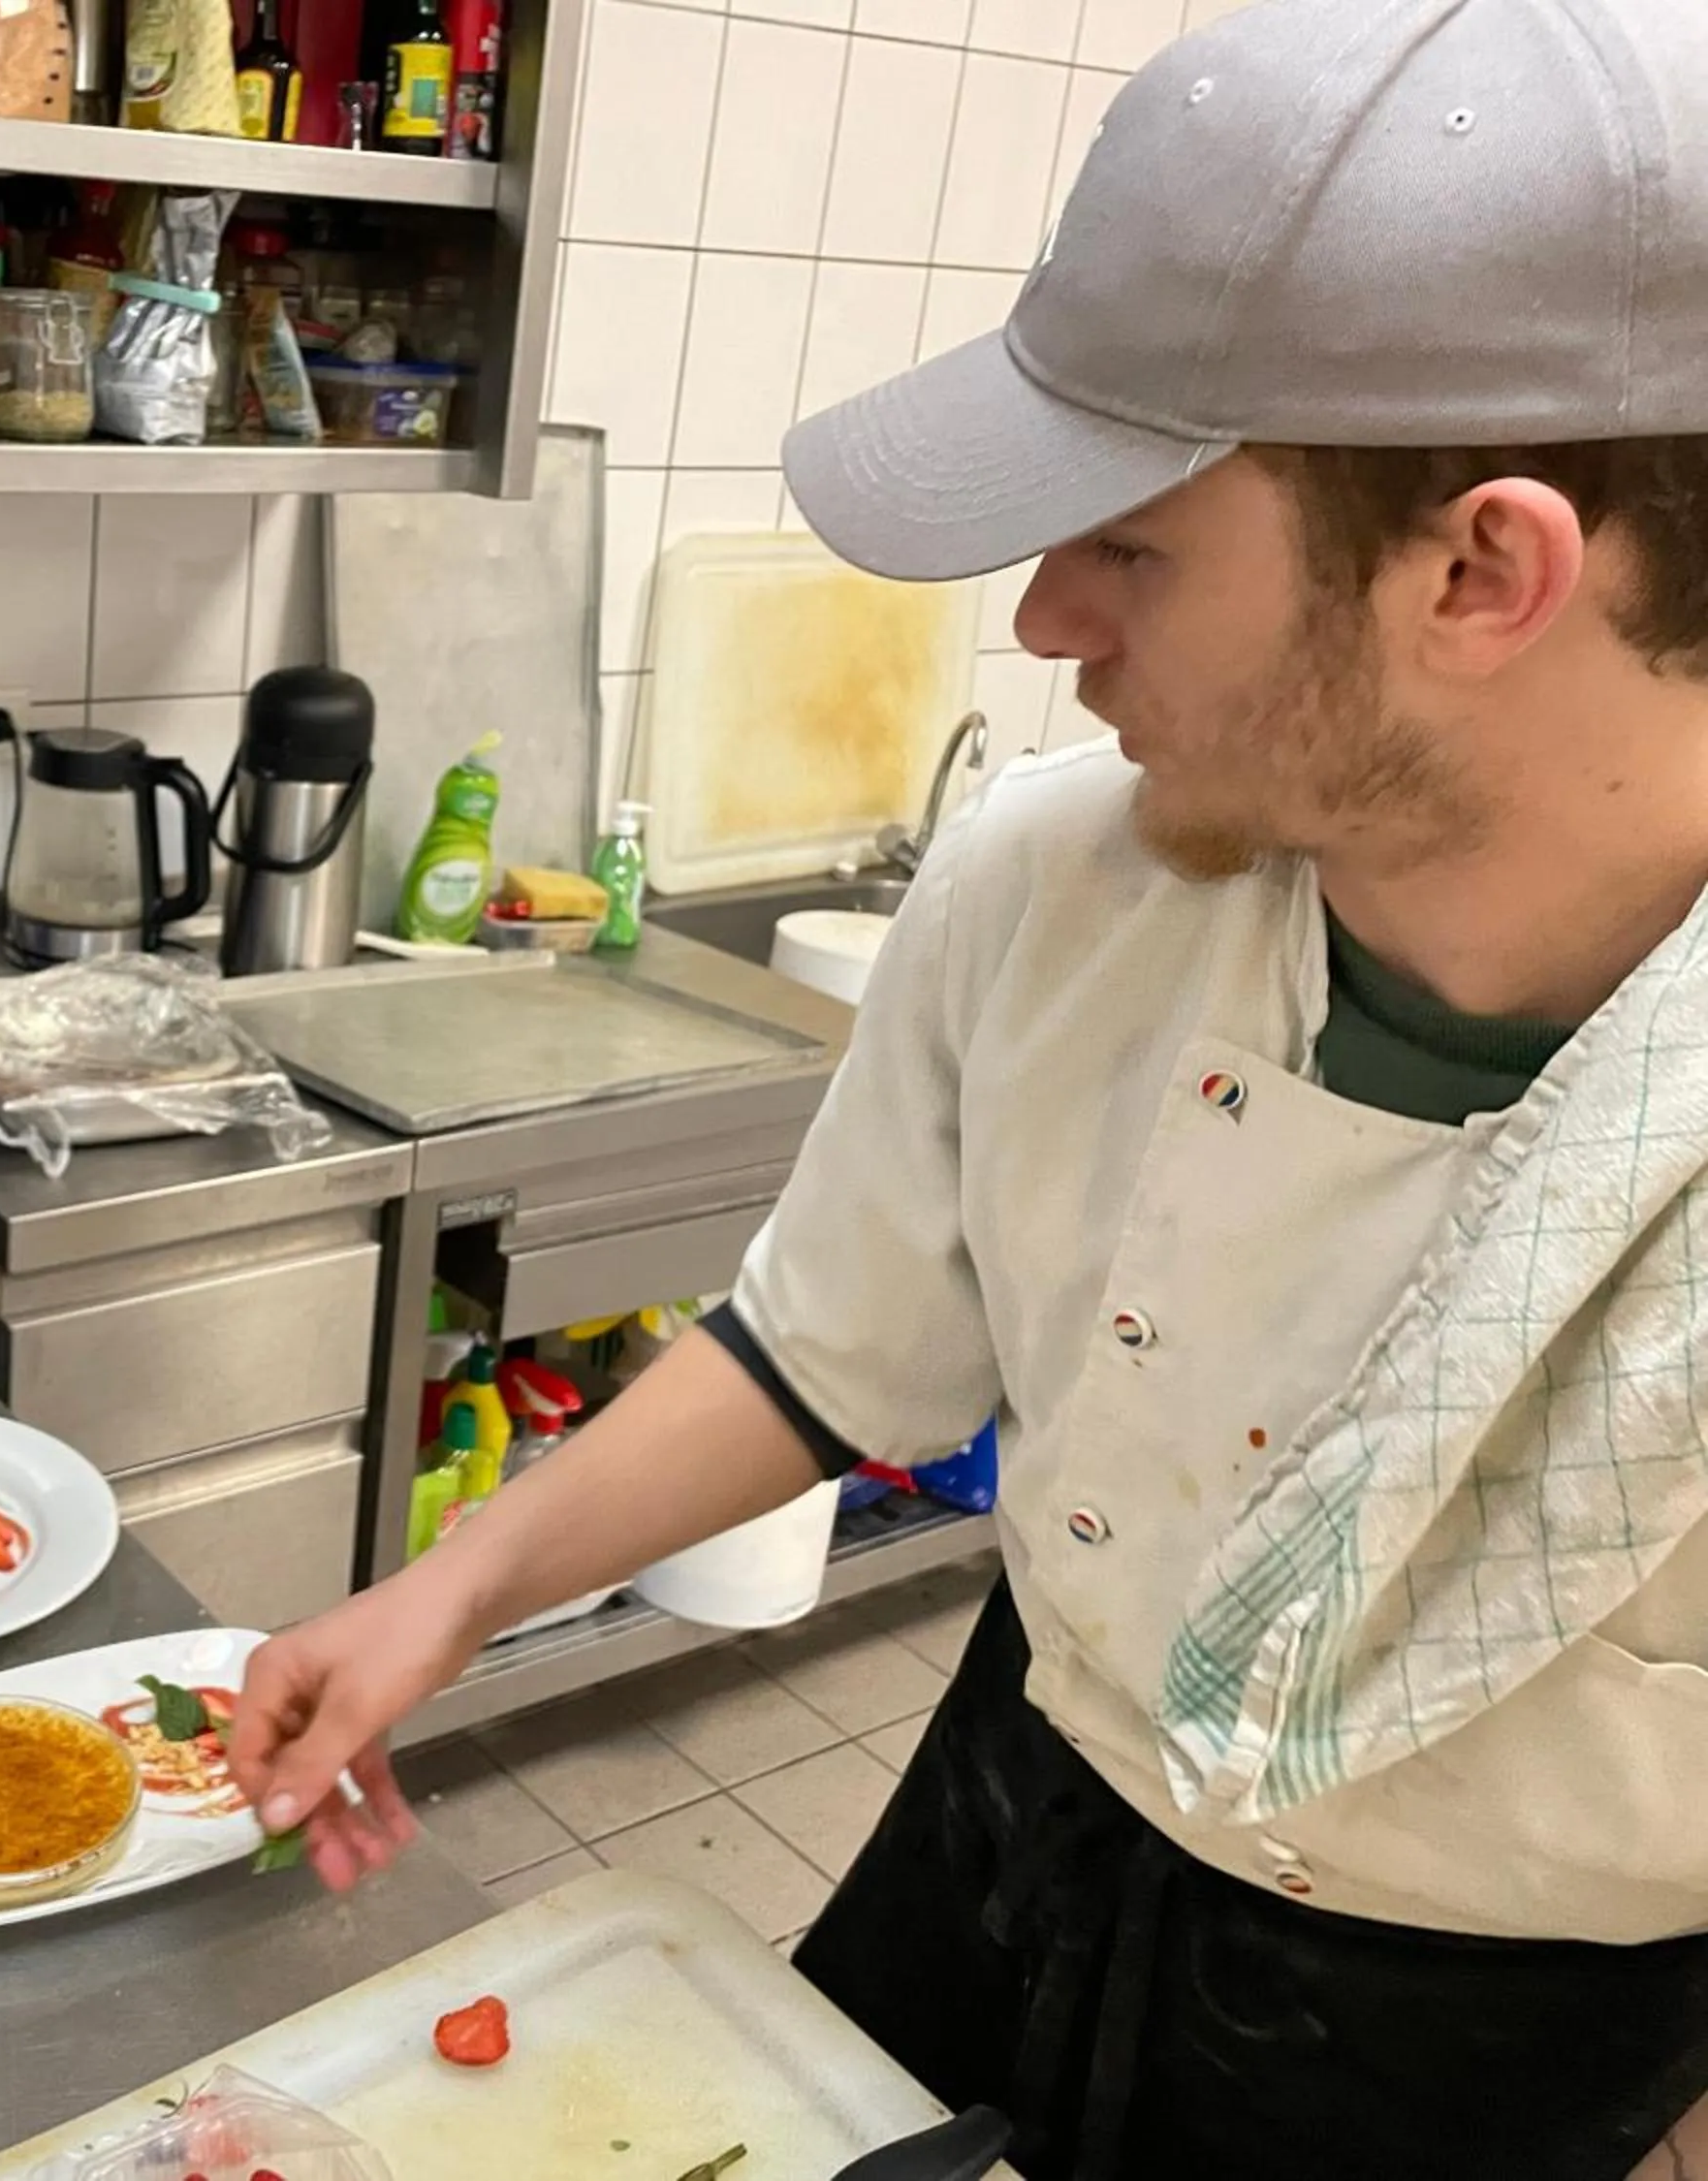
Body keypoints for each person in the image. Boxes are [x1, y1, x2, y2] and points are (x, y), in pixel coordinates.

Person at [228, 2, 1708, 2174]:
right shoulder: (1057, 886)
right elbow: (833, 1350)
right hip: (1007, 1829)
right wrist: (450, 1590)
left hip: (1494, 2053)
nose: (1039, 623)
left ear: (1481, 572)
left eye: (1131, 543)